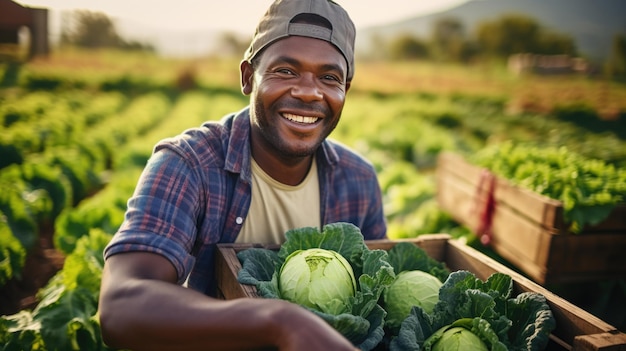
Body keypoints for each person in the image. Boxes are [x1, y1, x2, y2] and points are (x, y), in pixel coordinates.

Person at [98, 0, 387, 350]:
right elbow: (121, 305)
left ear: (345, 90)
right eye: (286, 71)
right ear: (249, 77)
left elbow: (374, 304)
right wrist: (280, 322)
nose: (309, 92)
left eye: (329, 78)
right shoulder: (189, 164)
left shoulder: (358, 180)